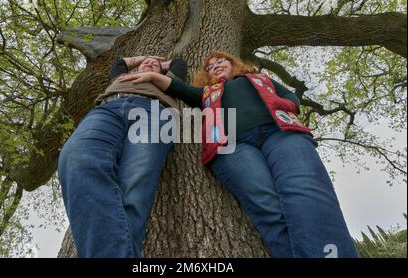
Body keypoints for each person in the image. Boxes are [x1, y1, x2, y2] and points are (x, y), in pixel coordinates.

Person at [118, 51, 358, 258]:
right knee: (267, 206)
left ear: (233, 64)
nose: (216, 66)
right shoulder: (207, 94)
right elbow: (179, 89)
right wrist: (152, 75)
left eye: (221, 61)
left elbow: (290, 97)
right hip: (231, 146)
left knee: (305, 190)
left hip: (281, 132)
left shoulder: (260, 79)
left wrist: (286, 106)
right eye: (210, 67)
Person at [58, 55, 187, 258]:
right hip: (107, 109)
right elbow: (118, 62)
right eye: (146, 63)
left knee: (134, 190)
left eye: (156, 64)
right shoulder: (121, 78)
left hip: (154, 112)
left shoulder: (167, 81)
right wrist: (142, 59)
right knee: (75, 159)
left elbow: (179, 64)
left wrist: (159, 66)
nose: (150, 63)